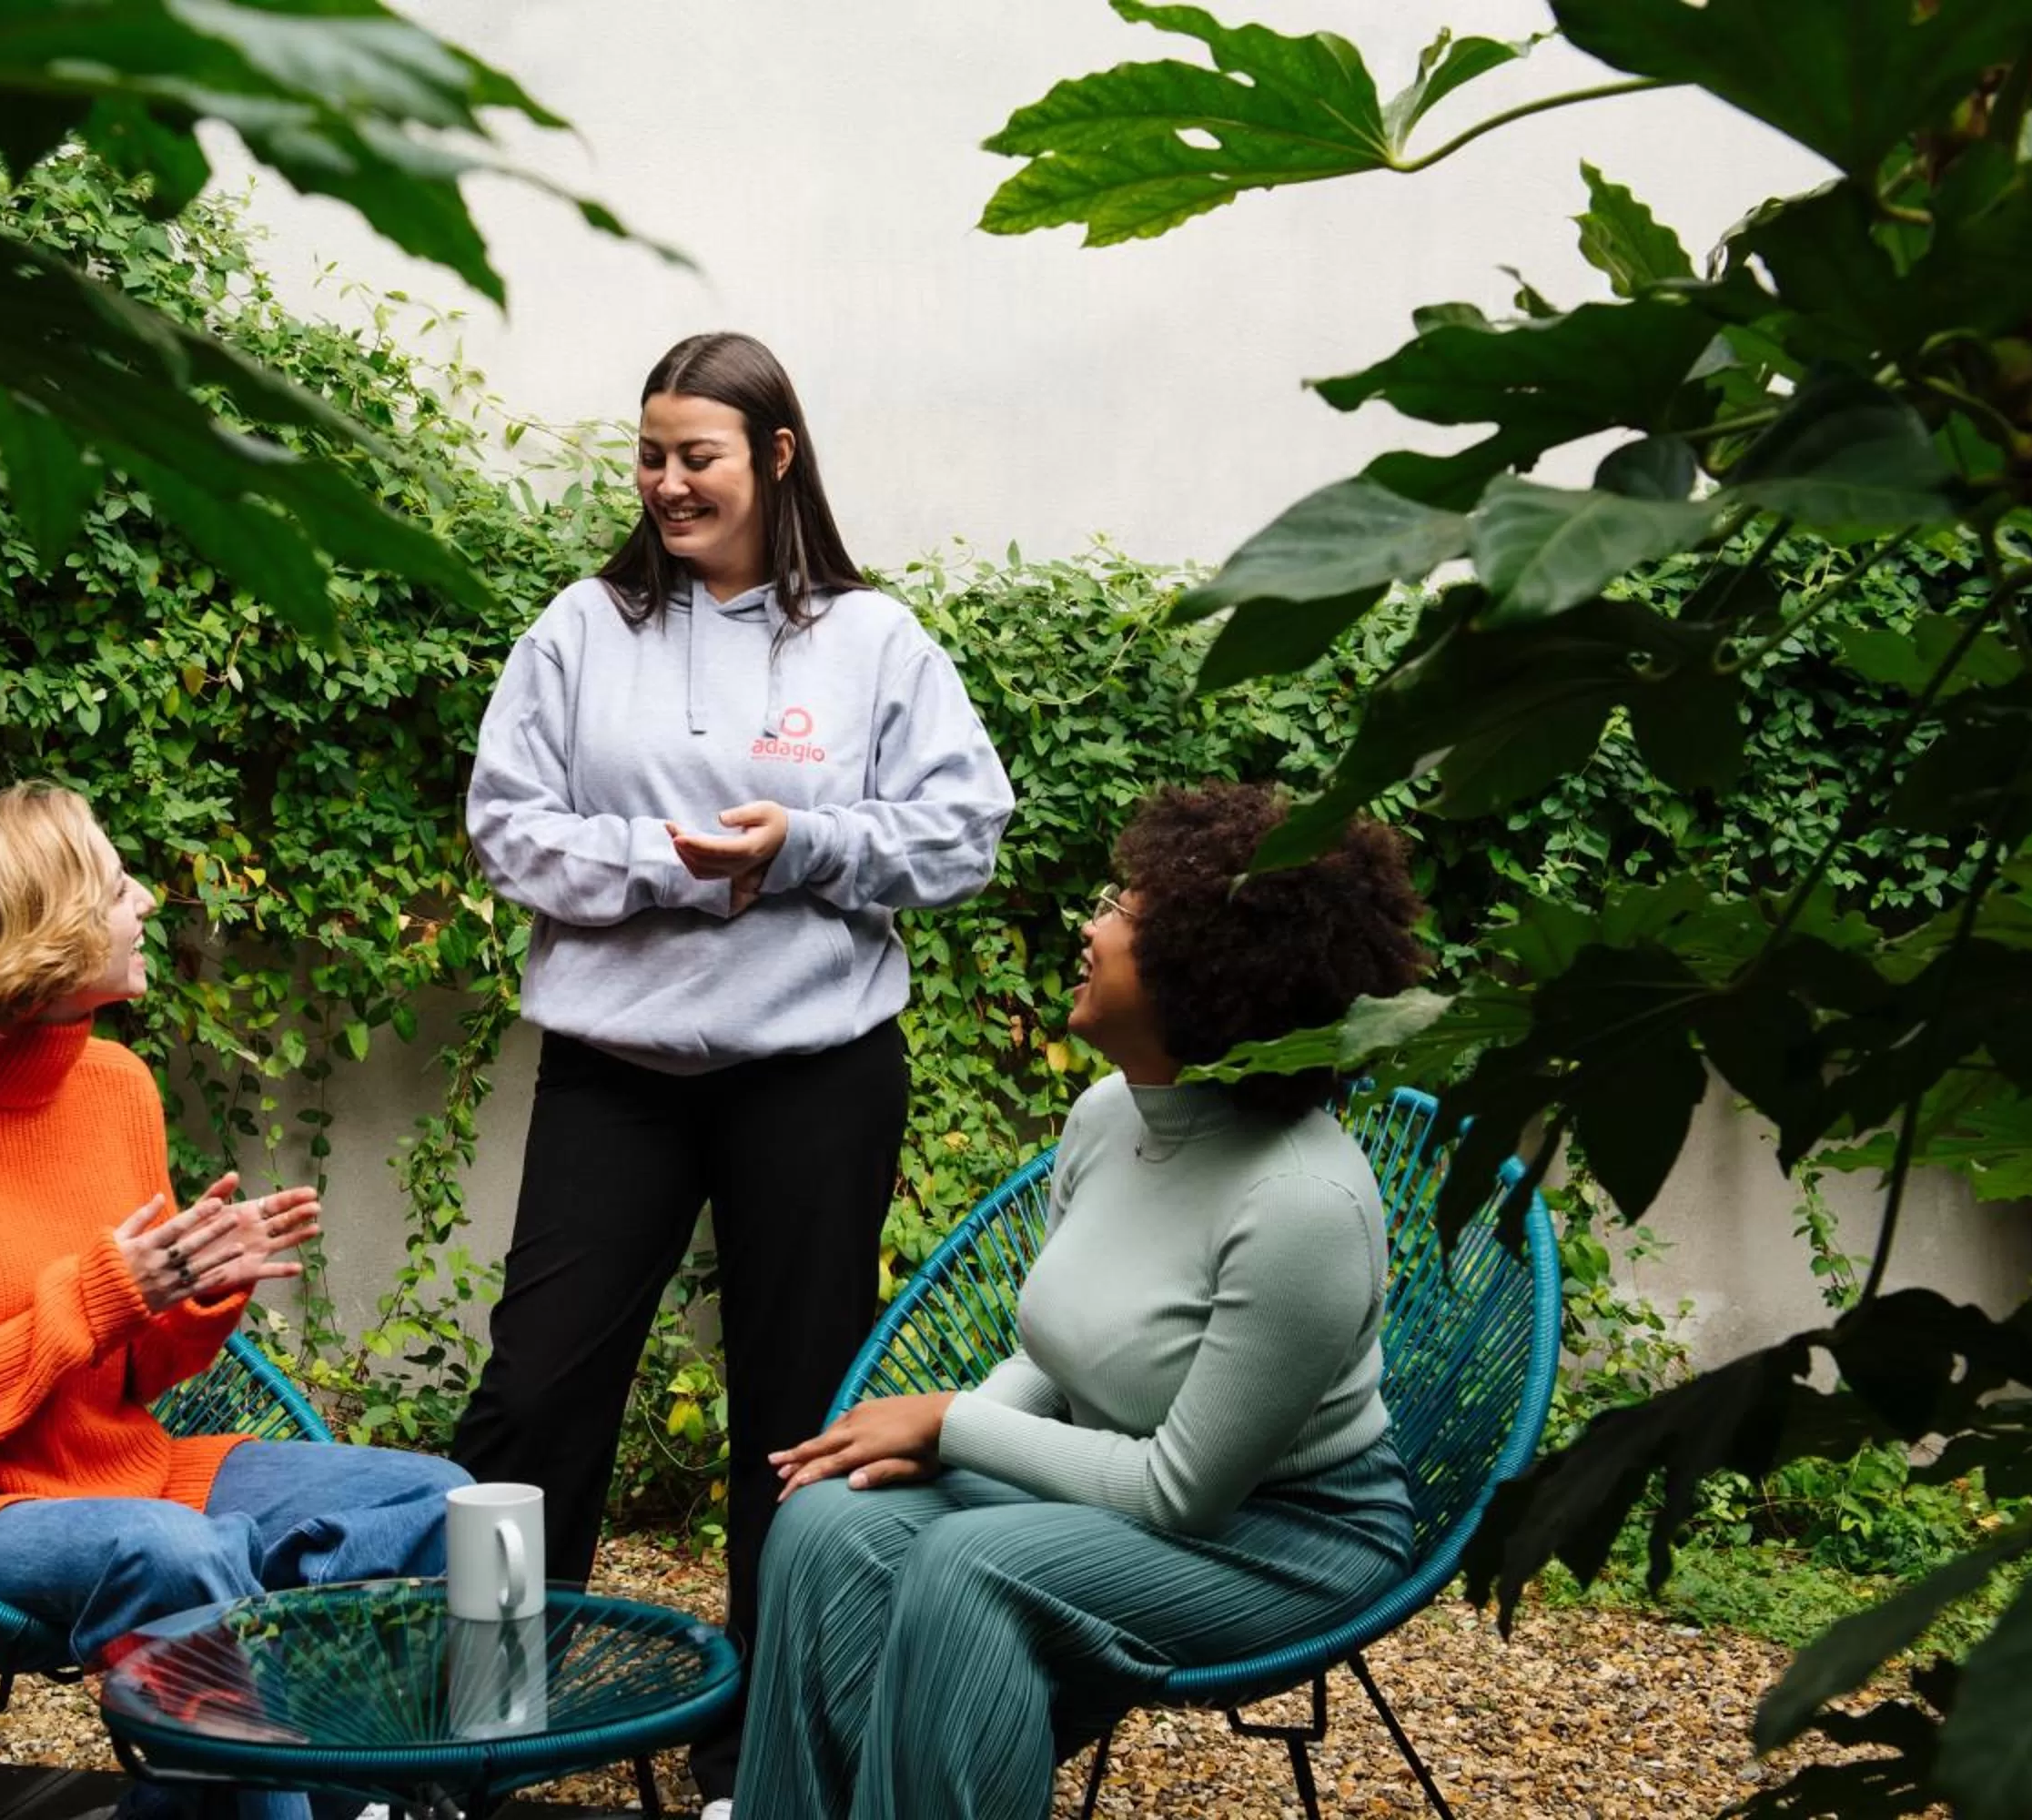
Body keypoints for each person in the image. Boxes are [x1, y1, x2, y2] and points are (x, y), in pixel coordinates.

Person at [456, 331, 1016, 1811]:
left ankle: (756, 1764)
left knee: (796, 1416)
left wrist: (807, 845)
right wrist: (668, 862)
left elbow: (964, 832)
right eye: (649, 454)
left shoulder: (873, 641)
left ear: (774, 457)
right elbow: (508, 826)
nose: (664, 482)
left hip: (813, 1075)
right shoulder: (580, 629)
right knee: (532, 1396)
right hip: (616, 1072)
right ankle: (474, 1732)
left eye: (694, 455)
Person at [0, 784, 467, 1820]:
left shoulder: (115, 1084)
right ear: (38, 938)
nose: (145, 899)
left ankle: (335, 1792)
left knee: (438, 1502)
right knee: (181, 1557)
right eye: (113, 884)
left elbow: (132, 1369)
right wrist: (97, 1295)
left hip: (122, 1475)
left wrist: (194, 1297)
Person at [736, 781, 1430, 1820]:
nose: (1093, 924)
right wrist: (945, 1437)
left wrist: (954, 1422)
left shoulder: (1301, 1204)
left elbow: (1182, 1492)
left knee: (975, 1567)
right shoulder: (1109, 1113)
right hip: (1120, 1479)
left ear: (1207, 972)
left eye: (1125, 909)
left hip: (1285, 1534)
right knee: (829, 1520)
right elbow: (1059, 1360)